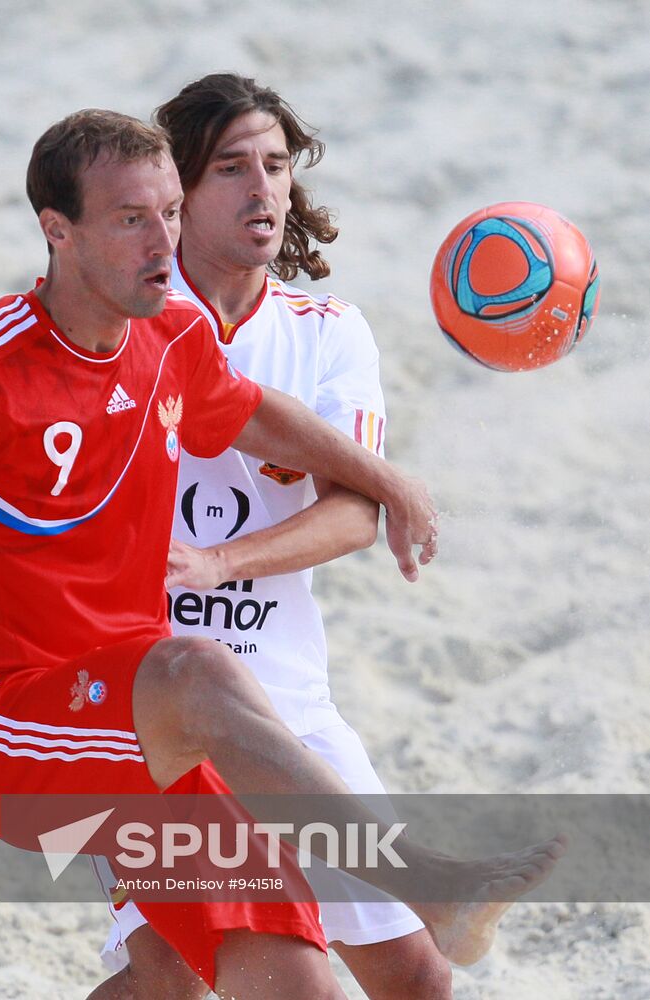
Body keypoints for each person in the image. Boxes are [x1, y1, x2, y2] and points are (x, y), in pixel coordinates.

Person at [0, 108, 562, 1000]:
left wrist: (387, 479)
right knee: (196, 665)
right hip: (14, 730)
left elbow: (254, 413)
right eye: (130, 219)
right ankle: (431, 881)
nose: (162, 242)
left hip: (158, 731)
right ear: (57, 230)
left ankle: (423, 891)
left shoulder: (172, 335)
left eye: (171, 214)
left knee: (284, 986)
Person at [93, 73, 451, 1000]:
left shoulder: (329, 332)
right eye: (231, 168)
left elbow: (352, 513)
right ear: (178, 192)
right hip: (143, 712)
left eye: (277, 165)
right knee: (177, 976)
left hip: (288, 701)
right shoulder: (112, 322)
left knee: (417, 977)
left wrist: (220, 562)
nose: (262, 189)